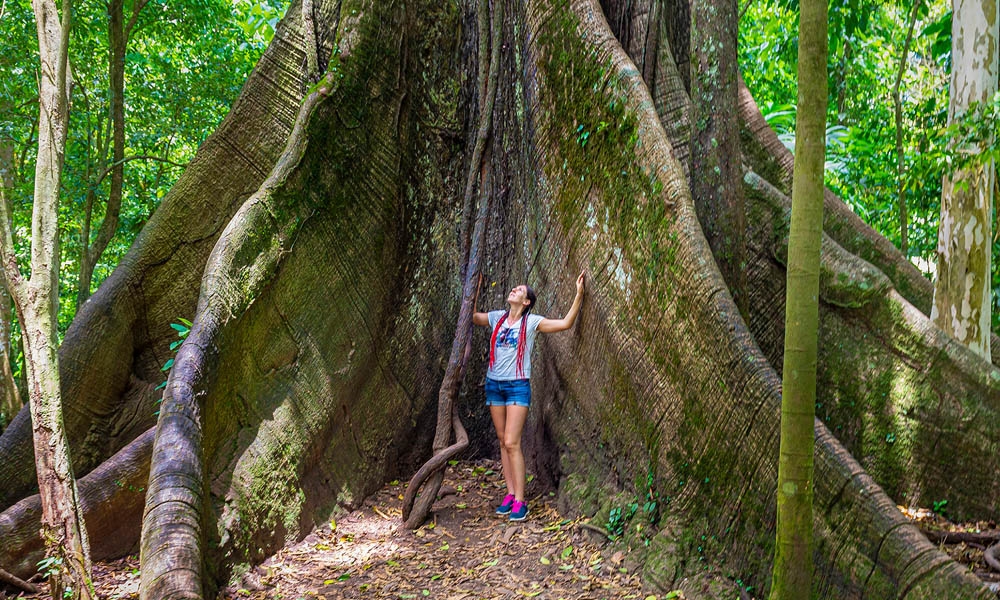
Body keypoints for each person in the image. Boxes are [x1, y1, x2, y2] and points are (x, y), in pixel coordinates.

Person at [472, 272, 585, 521]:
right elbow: (472, 316)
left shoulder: (532, 322)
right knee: (503, 441)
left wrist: (578, 295)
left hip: (517, 386)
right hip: (494, 385)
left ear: (526, 302)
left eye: (520, 290)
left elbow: (565, 323)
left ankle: (521, 501)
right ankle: (510, 494)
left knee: (512, 442)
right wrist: (475, 287)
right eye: (514, 288)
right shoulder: (496, 318)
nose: (514, 290)